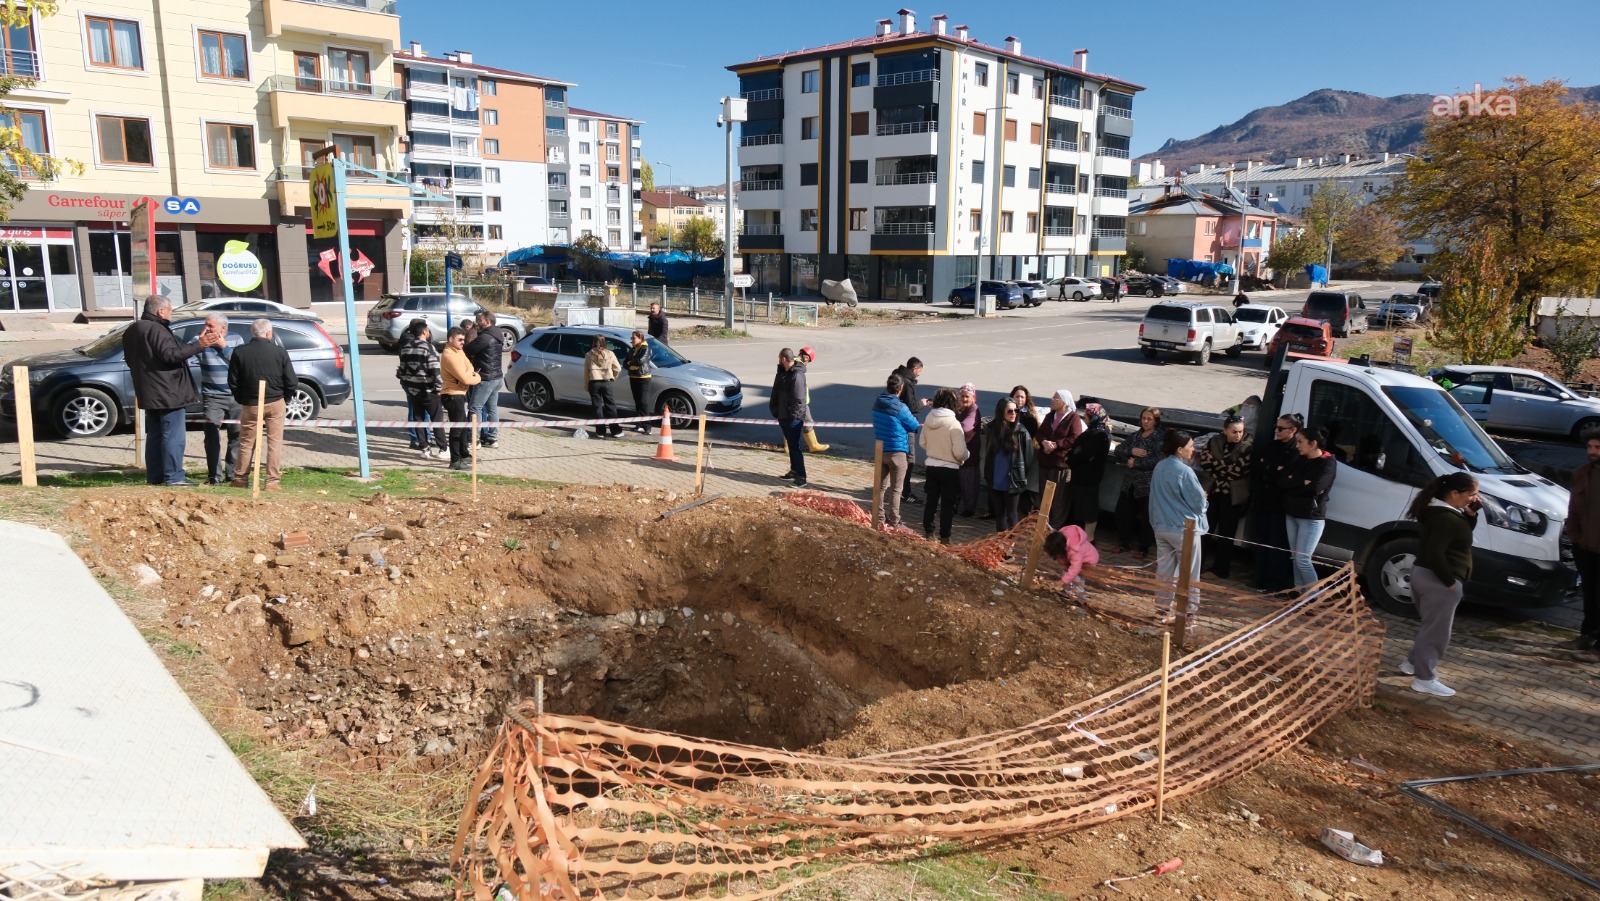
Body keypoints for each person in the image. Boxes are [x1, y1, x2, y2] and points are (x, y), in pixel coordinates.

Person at [123, 295, 221, 486]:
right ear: (160, 311)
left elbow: (131, 359)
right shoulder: (156, 329)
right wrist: (199, 345)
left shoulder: (134, 329)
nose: (171, 313)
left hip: (149, 391)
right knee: (173, 435)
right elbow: (171, 355)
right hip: (168, 392)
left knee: (155, 435)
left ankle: (156, 476)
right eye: (170, 310)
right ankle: (174, 476)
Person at [1402, 472, 1481, 698]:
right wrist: (1449, 583)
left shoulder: (1439, 512)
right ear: (1454, 493)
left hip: (1423, 575)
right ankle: (1424, 679)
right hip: (1436, 582)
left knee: (1429, 626)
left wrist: (1470, 516)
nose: (1474, 498)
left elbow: (1459, 536)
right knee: (1436, 633)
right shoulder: (1446, 518)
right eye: (1471, 494)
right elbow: (1437, 553)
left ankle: (1411, 664)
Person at [227, 319, 297, 490]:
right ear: (268, 333)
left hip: (250, 403)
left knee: (246, 441)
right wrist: (284, 398)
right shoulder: (279, 352)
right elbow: (292, 381)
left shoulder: (239, 352)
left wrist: (242, 399)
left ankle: (240, 478)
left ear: (253, 333)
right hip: (275, 401)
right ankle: (272, 481)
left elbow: (233, 381)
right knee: (274, 442)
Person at [1149, 429, 1208, 613]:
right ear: (1180, 449)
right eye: (1191, 446)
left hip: (1161, 525)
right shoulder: (1185, 471)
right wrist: (1205, 500)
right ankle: (1189, 615)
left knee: (1164, 573)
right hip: (1184, 530)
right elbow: (1198, 504)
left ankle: (1161, 610)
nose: (1193, 450)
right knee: (1190, 574)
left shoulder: (1160, 466)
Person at [1275, 424, 1338, 588]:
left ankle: (1313, 596)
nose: (1297, 446)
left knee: (1303, 559)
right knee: (1295, 557)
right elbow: (1282, 481)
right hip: (1292, 513)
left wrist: (1294, 483)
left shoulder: (1328, 463)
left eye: (1300, 442)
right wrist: (1301, 483)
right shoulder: (1299, 459)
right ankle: (1300, 593)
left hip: (1310, 518)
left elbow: (1316, 488)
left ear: (1313, 443)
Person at [1197, 415, 1254, 579]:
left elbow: (1238, 470)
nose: (1238, 435)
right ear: (1225, 431)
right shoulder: (1215, 441)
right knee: (1204, 530)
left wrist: (1216, 464)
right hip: (1213, 492)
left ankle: (1220, 569)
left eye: (1241, 431)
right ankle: (1196, 564)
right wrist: (1224, 467)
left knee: (1226, 534)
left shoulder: (1249, 444)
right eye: (1234, 432)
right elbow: (1205, 462)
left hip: (1233, 496)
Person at [1251, 413, 1301, 591]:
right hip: (1263, 501)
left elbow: (1286, 477)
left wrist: (1271, 469)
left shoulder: (1296, 451)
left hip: (1280, 505)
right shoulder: (1271, 446)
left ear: (1293, 430)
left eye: (1281, 428)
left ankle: (1275, 583)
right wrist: (1273, 469)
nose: (1277, 431)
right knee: (1261, 542)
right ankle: (1260, 579)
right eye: (1276, 427)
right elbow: (1260, 468)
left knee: (1277, 545)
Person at [1112, 407, 1164, 559]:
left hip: (1147, 485)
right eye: (1144, 418)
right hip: (1130, 483)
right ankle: (1124, 542)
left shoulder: (1159, 438)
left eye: (1149, 419)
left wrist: (1136, 463)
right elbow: (1119, 450)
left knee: (1146, 518)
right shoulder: (1135, 436)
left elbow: (1156, 459)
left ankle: (1144, 547)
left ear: (1155, 421)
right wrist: (1131, 451)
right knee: (1122, 514)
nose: (1146, 421)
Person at [1565, 429, 1600, 654]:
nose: (1592, 452)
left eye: (1597, 447)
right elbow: (1572, 510)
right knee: (1590, 592)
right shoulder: (1582, 473)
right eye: (1590, 447)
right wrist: (1575, 538)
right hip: (1585, 547)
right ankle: (1587, 635)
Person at [196, 314, 241, 485]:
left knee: (237, 435)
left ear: (223, 328)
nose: (206, 329)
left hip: (236, 395)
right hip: (212, 395)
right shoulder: (199, 340)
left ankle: (234, 475)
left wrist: (224, 347)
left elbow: (240, 363)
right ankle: (214, 476)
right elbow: (187, 358)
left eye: (210, 326)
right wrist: (198, 346)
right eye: (205, 325)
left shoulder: (236, 339)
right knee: (211, 435)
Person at [871, 372, 920, 530]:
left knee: (880, 488)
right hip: (897, 451)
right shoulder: (900, 407)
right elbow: (913, 425)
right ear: (901, 388)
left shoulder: (877, 403)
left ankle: (878, 518)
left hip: (881, 450)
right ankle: (895, 521)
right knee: (897, 489)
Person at [919, 388, 967, 543]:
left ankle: (929, 532)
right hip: (949, 469)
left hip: (931, 466)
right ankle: (945, 536)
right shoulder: (954, 424)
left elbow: (922, 443)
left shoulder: (928, 419)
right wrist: (967, 456)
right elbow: (960, 452)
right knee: (947, 504)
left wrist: (934, 450)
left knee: (931, 501)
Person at [1035, 389, 1085, 528]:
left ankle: (1055, 527)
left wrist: (1057, 445)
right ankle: (1044, 525)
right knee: (1044, 496)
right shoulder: (1050, 416)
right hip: (1045, 462)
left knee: (1059, 499)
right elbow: (1039, 433)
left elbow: (1075, 438)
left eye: (1055, 398)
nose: (1052, 400)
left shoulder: (1073, 418)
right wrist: (1044, 442)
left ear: (1064, 402)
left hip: (1060, 465)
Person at [397, 320, 447, 459]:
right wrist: (438, 387)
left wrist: (407, 384)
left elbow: (402, 369)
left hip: (412, 389)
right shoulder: (428, 348)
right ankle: (443, 448)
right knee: (437, 419)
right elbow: (434, 369)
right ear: (425, 332)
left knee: (418, 418)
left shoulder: (405, 347)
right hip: (428, 390)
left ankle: (424, 448)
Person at [981, 396, 1031, 532]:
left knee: (1012, 514)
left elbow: (1028, 458)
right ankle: (1001, 546)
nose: (1014, 413)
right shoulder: (991, 429)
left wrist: (1020, 474)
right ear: (1001, 412)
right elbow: (988, 453)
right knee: (1000, 515)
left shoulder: (1021, 431)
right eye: (1010, 411)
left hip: (1013, 480)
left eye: (1016, 411)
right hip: (995, 479)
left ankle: (1011, 546)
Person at [1065, 402, 1112, 540]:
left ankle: (1088, 541)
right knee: (1080, 509)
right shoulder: (1093, 431)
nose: (1084, 416)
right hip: (1082, 477)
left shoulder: (1099, 434)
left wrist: (1070, 459)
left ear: (1094, 417)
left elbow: (1084, 454)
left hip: (1088, 478)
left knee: (1088, 511)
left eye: (1087, 414)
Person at [440, 326, 481, 471]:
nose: (463, 342)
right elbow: (466, 377)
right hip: (452, 395)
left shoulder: (459, 351)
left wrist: (469, 375)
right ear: (451, 339)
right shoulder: (449, 355)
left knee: (463, 427)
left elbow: (469, 366)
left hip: (460, 394)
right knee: (457, 429)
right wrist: (476, 377)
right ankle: (455, 460)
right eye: (460, 339)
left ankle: (464, 454)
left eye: (464, 339)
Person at [465, 310, 507, 448]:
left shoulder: (485, 338)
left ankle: (474, 440)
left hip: (486, 378)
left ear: (487, 321)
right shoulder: (498, 334)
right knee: (492, 409)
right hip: (497, 377)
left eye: (480, 320)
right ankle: (493, 438)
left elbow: (468, 349)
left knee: (474, 408)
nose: (477, 322)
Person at [893, 357, 931, 503]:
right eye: (919, 371)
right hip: (906, 426)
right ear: (914, 369)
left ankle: (900, 489)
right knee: (909, 459)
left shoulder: (897, 377)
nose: (919, 374)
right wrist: (922, 404)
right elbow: (911, 407)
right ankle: (905, 491)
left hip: (898, 426)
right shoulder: (907, 384)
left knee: (899, 459)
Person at [770, 347, 808, 488]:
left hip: (793, 418)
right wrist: (775, 409)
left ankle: (802, 477)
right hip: (784, 415)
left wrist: (793, 416)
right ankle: (794, 471)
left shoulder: (796, 375)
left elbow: (798, 399)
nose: (779, 361)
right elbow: (777, 392)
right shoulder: (783, 373)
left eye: (779, 358)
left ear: (783, 359)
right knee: (792, 446)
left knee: (795, 447)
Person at [1010, 386, 1043, 513]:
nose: (1019, 399)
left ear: (1026, 399)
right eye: (1017, 396)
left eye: (1022, 397)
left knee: (1019, 484)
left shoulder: (1029, 418)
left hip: (1022, 456)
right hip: (1007, 455)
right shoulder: (1006, 411)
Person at [584, 334, 623, 438]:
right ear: (604, 342)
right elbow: (618, 368)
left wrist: (586, 385)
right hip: (607, 382)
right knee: (610, 406)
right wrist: (613, 377)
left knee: (597, 407)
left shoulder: (589, 354)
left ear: (594, 342)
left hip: (594, 382)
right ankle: (615, 431)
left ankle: (600, 431)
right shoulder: (610, 353)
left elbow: (586, 372)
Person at [1045, 524, 1100, 597]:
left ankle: (1081, 597)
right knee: (1066, 572)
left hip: (1089, 560)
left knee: (1078, 577)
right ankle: (1067, 591)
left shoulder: (1075, 550)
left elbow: (1075, 568)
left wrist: (1062, 581)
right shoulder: (1062, 539)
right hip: (1077, 558)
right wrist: (1064, 564)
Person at [955, 384, 981, 516]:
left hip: (970, 451)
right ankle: (955, 505)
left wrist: (951, 425)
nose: (964, 399)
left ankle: (969, 508)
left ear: (973, 397)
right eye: (962, 396)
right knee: (956, 481)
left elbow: (966, 428)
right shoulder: (958, 409)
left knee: (969, 482)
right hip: (957, 450)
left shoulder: (974, 410)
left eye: (967, 396)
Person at [798, 346, 829, 453]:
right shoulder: (798, 367)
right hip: (800, 402)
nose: (807, 363)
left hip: (795, 401)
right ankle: (813, 445)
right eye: (809, 361)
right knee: (808, 422)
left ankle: (787, 447)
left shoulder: (791, 363)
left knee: (791, 423)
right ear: (806, 358)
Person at [625, 330, 654, 435]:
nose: (632, 340)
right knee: (637, 402)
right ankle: (639, 424)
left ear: (640, 338)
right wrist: (631, 363)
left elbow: (640, 361)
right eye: (631, 338)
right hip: (633, 377)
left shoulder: (645, 348)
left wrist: (631, 362)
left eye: (634, 338)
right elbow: (625, 362)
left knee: (643, 402)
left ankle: (647, 426)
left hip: (643, 377)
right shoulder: (632, 349)